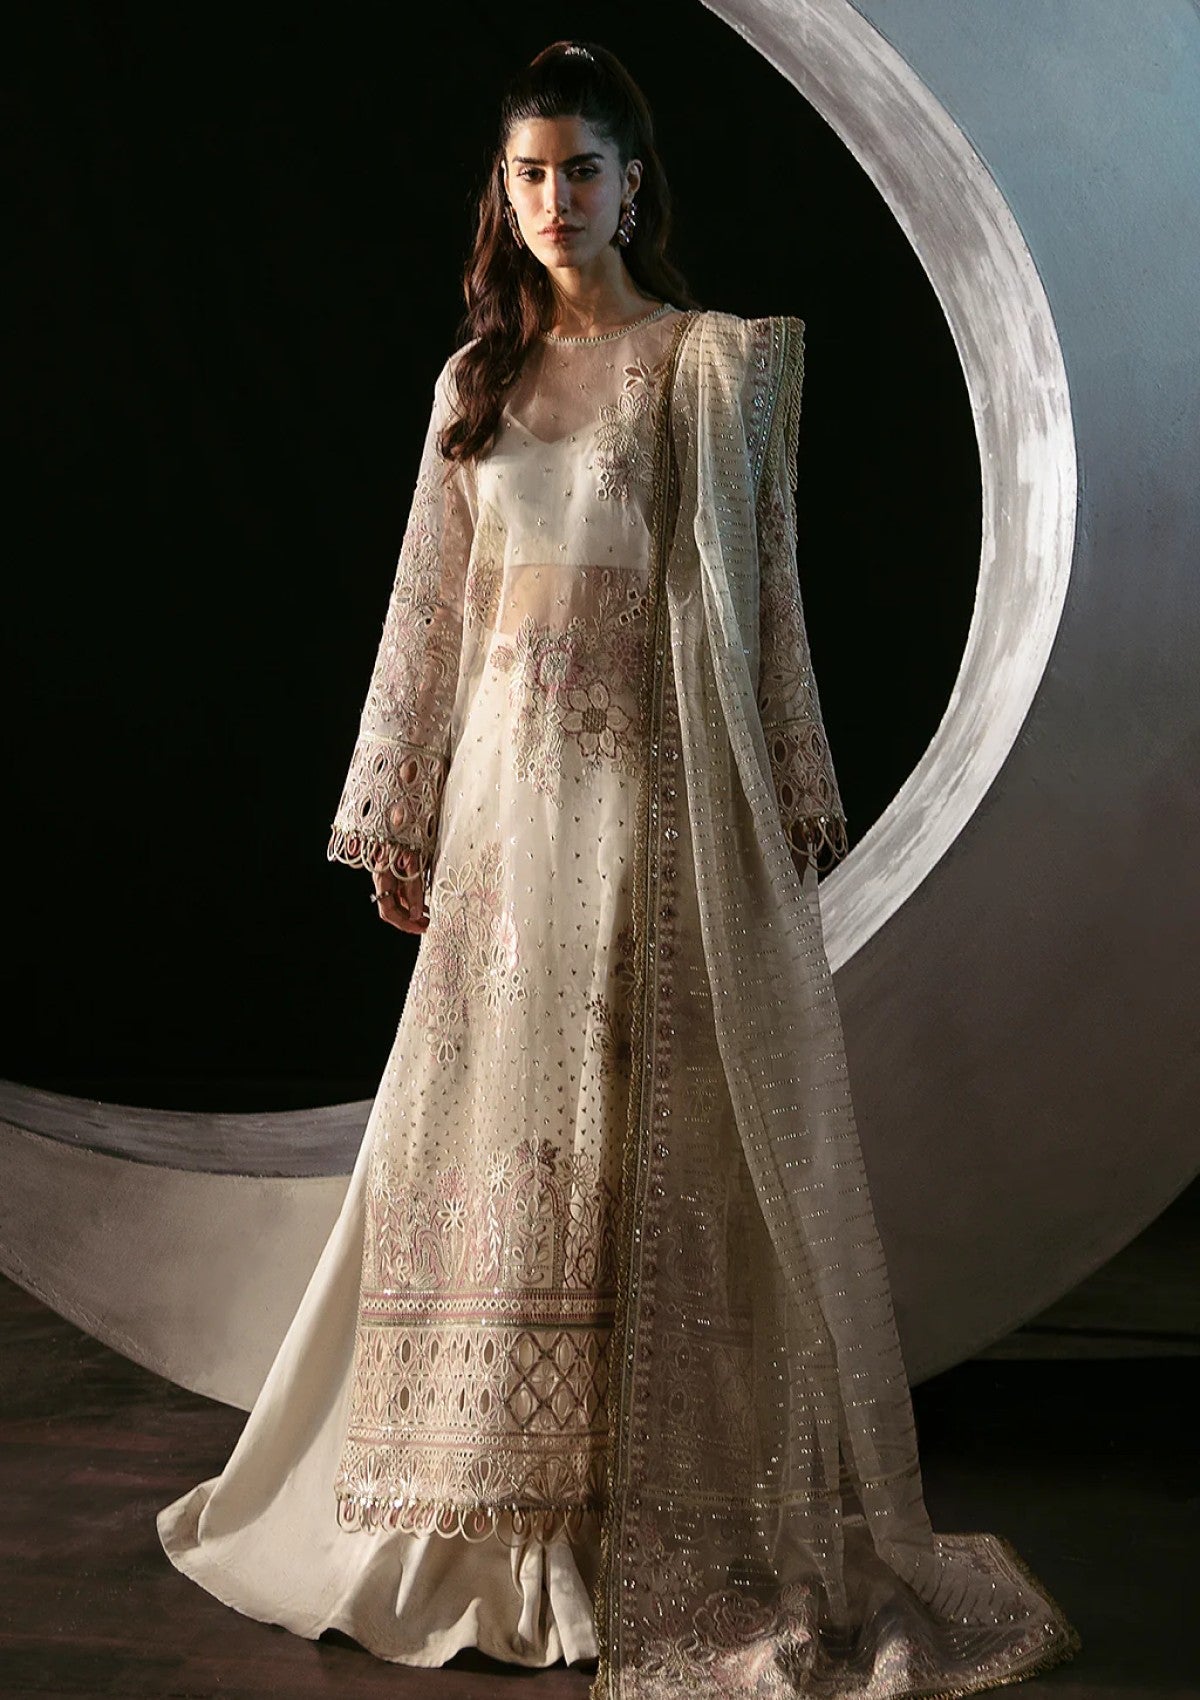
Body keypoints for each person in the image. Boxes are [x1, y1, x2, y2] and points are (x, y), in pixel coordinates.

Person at [157, 38, 1082, 1697]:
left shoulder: (705, 369)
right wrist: (402, 809)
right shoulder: (476, 380)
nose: (555, 199)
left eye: (582, 170)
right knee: (499, 1132)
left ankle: (618, 1519)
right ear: (501, 193)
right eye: (529, 174)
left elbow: (765, 597)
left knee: (632, 1132)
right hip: (505, 819)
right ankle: (484, 1510)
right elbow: (430, 611)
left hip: (647, 811)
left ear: (633, 184)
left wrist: (785, 794)